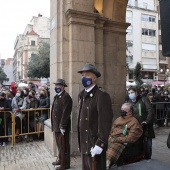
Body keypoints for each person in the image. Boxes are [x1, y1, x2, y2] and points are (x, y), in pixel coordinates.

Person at [77, 64, 113, 170]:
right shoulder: (81, 94)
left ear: (94, 77)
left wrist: (101, 142)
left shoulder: (101, 95)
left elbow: (105, 121)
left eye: (87, 75)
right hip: (84, 141)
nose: (84, 77)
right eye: (82, 75)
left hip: (94, 142)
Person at [106, 103, 143, 169]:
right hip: (113, 138)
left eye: (125, 109)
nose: (123, 111)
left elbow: (131, 138)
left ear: (130, 111)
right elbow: (111, 130)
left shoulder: (134, 121)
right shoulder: (118, 119)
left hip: (123, 142)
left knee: (113, 149)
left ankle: (107, 165)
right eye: (122, 109)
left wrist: (116, 139)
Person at [126, 87, 155, 160]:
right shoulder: (129, 102)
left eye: (132, 92)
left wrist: (147, 121)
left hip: (146, 126)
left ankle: (148, 159)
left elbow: (150, 111)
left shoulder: (143, 99)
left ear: (136, 92)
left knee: (148, 145)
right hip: (136, 127)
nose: (130, 94)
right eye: (129, 93)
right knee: (138, 145)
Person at [51, 79, 73, 170]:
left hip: (62, 126)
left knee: (64, 146)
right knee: (59, 145)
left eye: (58, 86)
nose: (56, 87)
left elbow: (66, 113)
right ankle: (61, 159)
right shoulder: (57, 96)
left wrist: (63, 126)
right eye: (55, 86)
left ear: (63, 86)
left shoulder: (66, 97)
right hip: (56, 126)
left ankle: (65, 164)